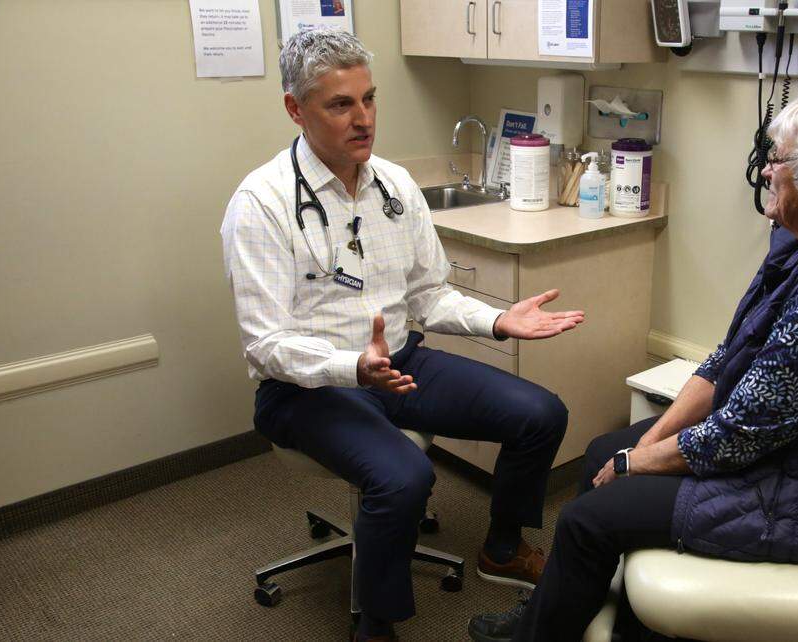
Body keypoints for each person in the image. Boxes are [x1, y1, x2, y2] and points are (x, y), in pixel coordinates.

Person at [468, 81, 798, 642]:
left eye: (779, 159)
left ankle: (549, 634)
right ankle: (572, 616)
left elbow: (739, 435)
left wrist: (636, 465)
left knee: (587, 517)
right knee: (604, 449)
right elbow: (730, 359)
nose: (766, 171)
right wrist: (639, 449)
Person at [220, 29, 584, 642]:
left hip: (400, 365)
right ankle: (377, 623)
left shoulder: (392, 184)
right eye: (341, 105)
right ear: (295, 109)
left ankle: (501, 546)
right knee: (404, 476)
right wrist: (350, 367)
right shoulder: (262, 203)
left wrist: (498, 321)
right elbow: (265, 344)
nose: (362, 119)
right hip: (305, 390)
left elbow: (429, 296)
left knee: (541, 413)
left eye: (369, 99)